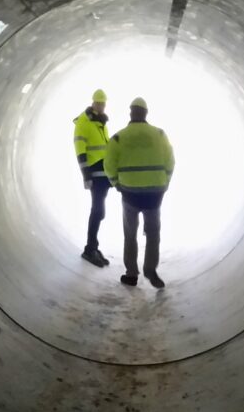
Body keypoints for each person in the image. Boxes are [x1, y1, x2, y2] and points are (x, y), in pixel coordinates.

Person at [104, 97, 175, 288]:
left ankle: (131, 274)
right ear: (146, 113)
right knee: (153, 234)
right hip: (154, 194)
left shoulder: (119, 137)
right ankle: (151, 270)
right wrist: (165, 182)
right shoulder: (159, 135)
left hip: (130, 194)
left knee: (130, 234)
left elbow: (109, 165)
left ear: (131, 112)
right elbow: (170, 161)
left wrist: (116, 183)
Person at [73, 89, 112, 267]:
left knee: (100, 211)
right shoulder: (84, 122)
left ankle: (93, 247)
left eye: (103, 104)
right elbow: (80, 150)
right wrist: (85, 175)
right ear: (93, 103)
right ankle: (89, 249)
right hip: (94, 173)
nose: (102, 107)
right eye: (99, 104)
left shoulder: (100, 122)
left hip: (103, 173)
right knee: (97, 211)